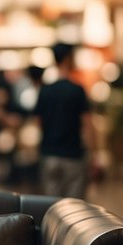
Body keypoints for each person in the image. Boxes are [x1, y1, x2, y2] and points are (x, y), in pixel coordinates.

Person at [34, 43, 97, 199]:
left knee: (51, 206)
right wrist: (94, 154)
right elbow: (87, 125)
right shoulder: (77, 90)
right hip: (73, 155)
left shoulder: (45, 90)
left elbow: (38, 123)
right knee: (73, 208)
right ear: (69, 59)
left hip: (49, 154)